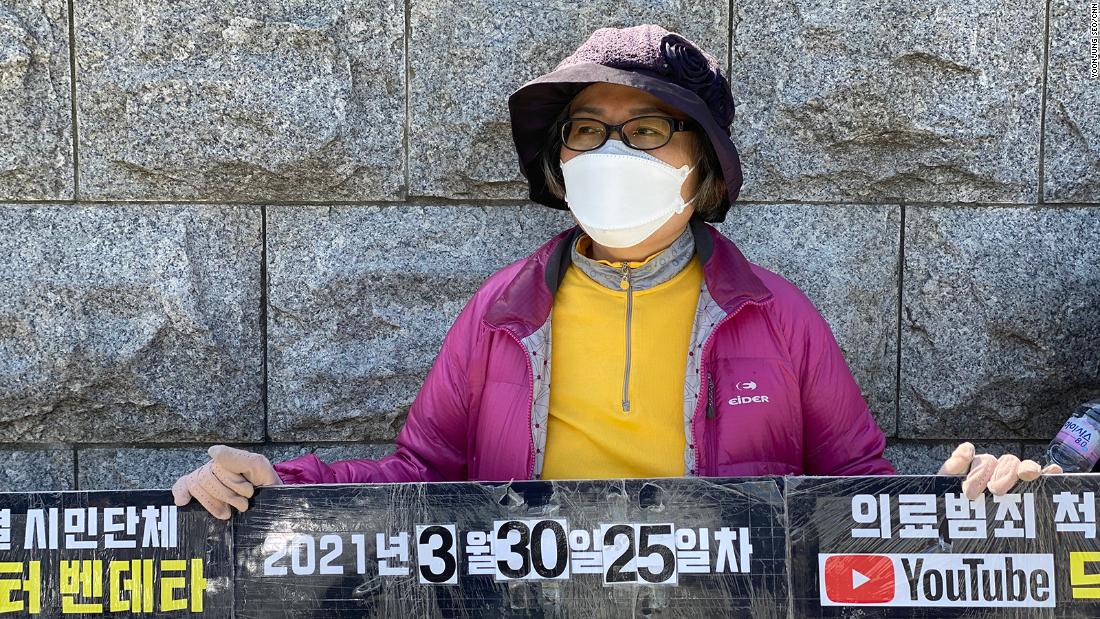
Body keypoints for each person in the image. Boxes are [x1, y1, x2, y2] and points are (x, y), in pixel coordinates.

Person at [171, 25, 1061, 520]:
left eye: (644, 129)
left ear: (703, 168)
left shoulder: (776, 317)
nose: (608, 150)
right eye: (586, 128)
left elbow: (855, 499)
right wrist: (281, 484)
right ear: (558, 162)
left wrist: (969, 501)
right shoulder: (502, 314)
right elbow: (422, 477)